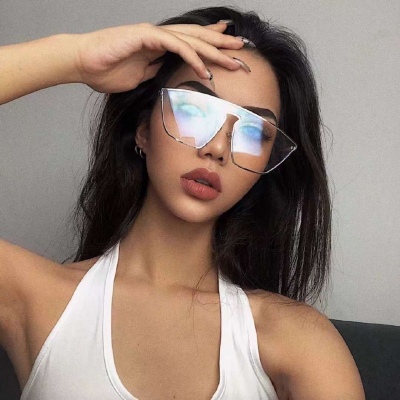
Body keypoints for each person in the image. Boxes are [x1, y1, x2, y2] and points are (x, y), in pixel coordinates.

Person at [0, 5, 365, 400]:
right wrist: (75, 58)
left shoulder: (298, 340)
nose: (217, 148)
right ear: (143, 128)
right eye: (193, 110)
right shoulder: (38, 298)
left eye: (253, 131)